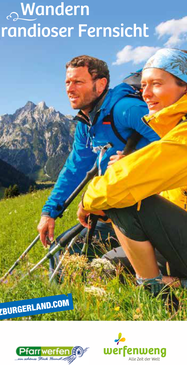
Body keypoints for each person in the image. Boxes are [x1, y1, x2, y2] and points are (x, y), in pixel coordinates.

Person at [77, 48, 187, 294]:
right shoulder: (173, 130)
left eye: (157, 84)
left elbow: (119, 187)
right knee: (105, 265)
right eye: (144, 85)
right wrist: (129, 165)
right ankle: (164, 281)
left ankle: (158, 292)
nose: (146, 94)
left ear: (185, 88)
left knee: (120, 197)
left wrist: (88, 199)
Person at [37, 55, 159, 272]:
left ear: (100, 84)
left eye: (78, 82)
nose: (70, 89)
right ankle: (64, 301)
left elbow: (171, 143)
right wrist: (49, 213)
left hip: (149, 207)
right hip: (115, 206)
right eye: (67, 82)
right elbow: (75, 168)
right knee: (64, 254)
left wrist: (134, 160)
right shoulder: (86, 123)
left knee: (103, 267)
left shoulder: (125, 109)